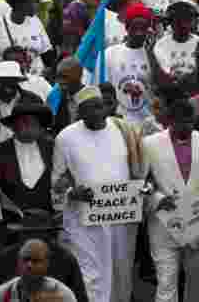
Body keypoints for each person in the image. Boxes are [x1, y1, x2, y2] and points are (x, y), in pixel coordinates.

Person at [52, 86, 141, 302]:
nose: (95, 113)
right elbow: (57, 182)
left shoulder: (123, 130)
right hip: (85, 223)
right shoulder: (66, 137)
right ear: (80, 113)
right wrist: (73, 193)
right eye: (88, 109)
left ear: (105, 107)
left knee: (121, 274)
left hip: (121, 219)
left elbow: (139, 171)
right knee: (91, 277)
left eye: (99, 107)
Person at [141, 96, 199, 302]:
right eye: (180, 122)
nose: (186, 126)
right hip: (163, 223)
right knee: (166, 282)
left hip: (198, 223)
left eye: (190, 121)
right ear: (169, 121)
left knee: (198, 283)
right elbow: (141, 183)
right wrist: (157, 199)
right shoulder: (149, 144)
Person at [0, 239, 77, 302]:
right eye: (25, 259)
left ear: (46, 264)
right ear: (18, 263)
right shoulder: (3, 293)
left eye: (35, 261)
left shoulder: (63, 294)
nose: (29, 265)